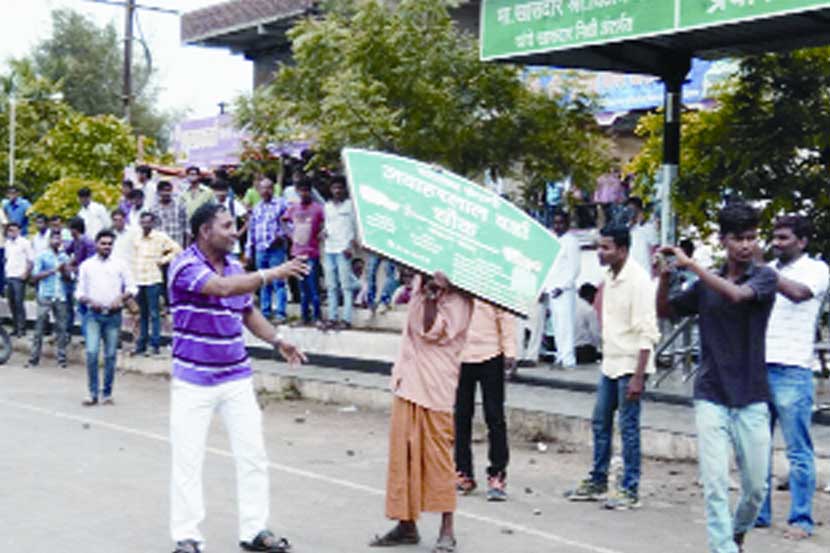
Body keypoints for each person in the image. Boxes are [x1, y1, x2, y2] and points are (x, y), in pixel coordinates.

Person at [167, 202, 309, 553]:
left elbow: (246, 310)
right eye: (227, 226)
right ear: (205, 231)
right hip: (193, 379)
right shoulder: (184, 265)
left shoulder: (234, 266)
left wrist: (278, 340)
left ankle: (254, 531)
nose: (234, 232)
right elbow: (222, 289)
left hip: (235, 377)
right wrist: (272, 273)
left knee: (253, 456)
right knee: (188, 458)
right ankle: (187, 537)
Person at [656, 202, 778, 553]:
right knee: (715, 484)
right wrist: (665, 276)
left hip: (752, 396)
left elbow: (738, 296)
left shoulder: (764, 277)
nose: (746, 245)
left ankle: (737, 533)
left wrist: (691, 265)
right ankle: (722, 548)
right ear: (724, 240)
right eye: (739, 238)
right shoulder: (705, 284)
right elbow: (666, 310)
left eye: (752, 238)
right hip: (711, 393)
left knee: (756, 489)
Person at [370, 272, 473, 553]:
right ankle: (406, 524)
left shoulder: (460, 299)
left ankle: (447, 530)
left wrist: (431, 296)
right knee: (402, 456)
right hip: (407, 380)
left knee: (438, 459)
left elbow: (431, 330)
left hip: (435, 387)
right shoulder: (421, 282)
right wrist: (422, 286)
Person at [566, 226, 659, 510]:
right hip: (610, 362)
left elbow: (648, 332)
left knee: (628, 428)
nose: (600, 253)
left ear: (622, 249)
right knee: (600, 423)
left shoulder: (639, 281)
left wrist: (639, 376)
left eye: (606, 248)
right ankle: (598, 480)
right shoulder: (608, 277)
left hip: (631, 365)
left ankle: (630, 488)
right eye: (599, 247)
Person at [754, 215, 829, 540]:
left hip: (793, 369)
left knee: (797, 450)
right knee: (757, 447)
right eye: (775, 237)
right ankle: (759, 513)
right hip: (759, 365)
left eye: (784, 238)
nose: (777, 243)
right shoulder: (769, 267)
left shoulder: (817, 270)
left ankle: (801, 519)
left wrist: (763, 270)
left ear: (802, 241)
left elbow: (798, 294)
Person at [454, 299, 516, 501]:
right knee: (461, 417)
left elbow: (505, 315)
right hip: (461, 356)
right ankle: (463, 473)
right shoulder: (456, 281)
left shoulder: (491, 279)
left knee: (495, 417)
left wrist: (510, 351)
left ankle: (497, 474)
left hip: (491, 355)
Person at [76, 229, 137, 406]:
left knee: (110, 355)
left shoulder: (120, 264)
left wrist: (121, 298)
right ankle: (92, 393)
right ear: (96, 244)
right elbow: (79, 291)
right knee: (92, 353)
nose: (106, 247)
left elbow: (133, 287)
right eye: (103, 243)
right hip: (93, 315)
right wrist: (88, 300)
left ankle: (107, 393)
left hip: (113, 316)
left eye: (109, 244)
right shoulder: (87, 265)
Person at [132, 212, 182, 357]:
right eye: (143, 222)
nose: (145, 225)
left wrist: (163, 260)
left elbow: (177, 249)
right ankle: (142, 344)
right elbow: (134, 258)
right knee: (142, 313)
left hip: (153, 279)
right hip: (139, 279)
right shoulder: (136, 238)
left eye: (148, 222)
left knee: (154, 314)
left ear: (153, 223)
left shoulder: (160, 237)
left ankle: (155, 345)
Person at [246, 178, 290, 323]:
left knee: (278, 281)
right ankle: (265, 312)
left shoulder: (282, 204)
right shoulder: (257, 207)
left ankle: (281, 313)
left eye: (268, 188)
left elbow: (290, 224)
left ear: (273, 189)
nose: (265, 191)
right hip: (260, 249)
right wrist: (248, 250)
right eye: (262, 188)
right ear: (258, 190)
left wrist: (282, 236)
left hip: (276, 248)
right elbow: (251, 230)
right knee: (263, 281)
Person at [26, 230, 71, 369]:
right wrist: (52, 271)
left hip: (60, 295)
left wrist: (64, 271)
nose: (57, 241)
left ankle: (62, 358)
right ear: (49, 241)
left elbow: (69, 278)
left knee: (62, 328)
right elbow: (34, 276)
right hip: (45, 294)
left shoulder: (64, 257)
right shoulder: (43, 256)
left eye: (59, 239)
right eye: (54, 239)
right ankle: (34, 358)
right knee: (39, 327)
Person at [284, 178, 324, 325]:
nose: (304, 194)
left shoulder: (317, 208)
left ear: (310, 191)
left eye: (306, 190)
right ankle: (304, 317)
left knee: (314, 287)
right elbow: (282, 220)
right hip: (297, 252)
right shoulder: (293, 208)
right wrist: (289, 234)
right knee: (302, 288)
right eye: (301, 191)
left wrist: (321, 233)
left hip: (312, 252)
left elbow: (327, 222)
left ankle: (317, 317)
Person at [322, 175, 357, 329]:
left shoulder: (351, 206)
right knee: (331, 286)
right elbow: (327, 225)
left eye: (340, 188)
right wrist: (323, 232)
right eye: (334, 188)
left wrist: (351, 246)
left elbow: (356, 229)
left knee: (346, 286)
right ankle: (332, 317)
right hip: (329, 248)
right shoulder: (327, 206)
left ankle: (347, 319)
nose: (337, 191)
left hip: (344, 249)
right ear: (331, 190)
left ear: (344, 189)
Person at [549, 210, 581, 369]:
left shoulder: (571, 241)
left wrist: (563, 286)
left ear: (567, 224)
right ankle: (560, 355)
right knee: (556, 325)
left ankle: (568, 359)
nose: (557, 226)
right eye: (555, 223)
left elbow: (575, 269)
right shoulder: (553, 240)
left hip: (565, 290)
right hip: (552, 289)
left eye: (561, 223)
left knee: (566, 325)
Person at [65, 217, 98, 339]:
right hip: (79, 278)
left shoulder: (87, 241)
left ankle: (89, 336)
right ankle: (87, 335)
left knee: (85, 309)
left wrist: (74, 268)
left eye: (70, 229)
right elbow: (68, 251)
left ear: (75, 229)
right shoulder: (76, 241)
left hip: (88, 279)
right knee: (81, 309)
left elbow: (90, 262)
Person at [4, 222, 34, 338]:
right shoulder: (8, 243)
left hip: (19, 276)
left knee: (19, 303)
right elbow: (7, 259)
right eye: (10, 230)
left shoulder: (24, 243)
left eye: (14, 230)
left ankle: (22, 329)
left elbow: (31, 260)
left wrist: (26, 273)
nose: (12, 232)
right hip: (10, 275)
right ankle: (15, 327)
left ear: (19, 230)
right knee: (11, 303)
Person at [211, 179, 247, 257]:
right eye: (217, 191)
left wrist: (239, 233)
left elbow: (249, 219)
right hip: (215, 246)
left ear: (227, 191)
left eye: (222, 191)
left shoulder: (233, 204)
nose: (220, 194)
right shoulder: (211, 204)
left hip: (232, 246)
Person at [627, 197, 659, 274]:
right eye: (628, 210)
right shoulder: (625, 229)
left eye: (633, 210)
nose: (631, 214)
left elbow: (655, 250)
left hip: (645, 272)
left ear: (639, 210)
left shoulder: (648, 228)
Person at [152, 180, 188, 247]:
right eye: (163, 191)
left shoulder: (179, 205)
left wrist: (186, 247)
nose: (166, 193)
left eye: (168, 190)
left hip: (177, 244)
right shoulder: (153, 209)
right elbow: (153, 229)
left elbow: (187, 228)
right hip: (161, 245)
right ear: (158, 192)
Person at [575, 283, 602, 365]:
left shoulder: (571, 307)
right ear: (590, 295)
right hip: (585, 350)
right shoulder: (589, 310)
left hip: (570, 349)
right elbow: (595, 333)